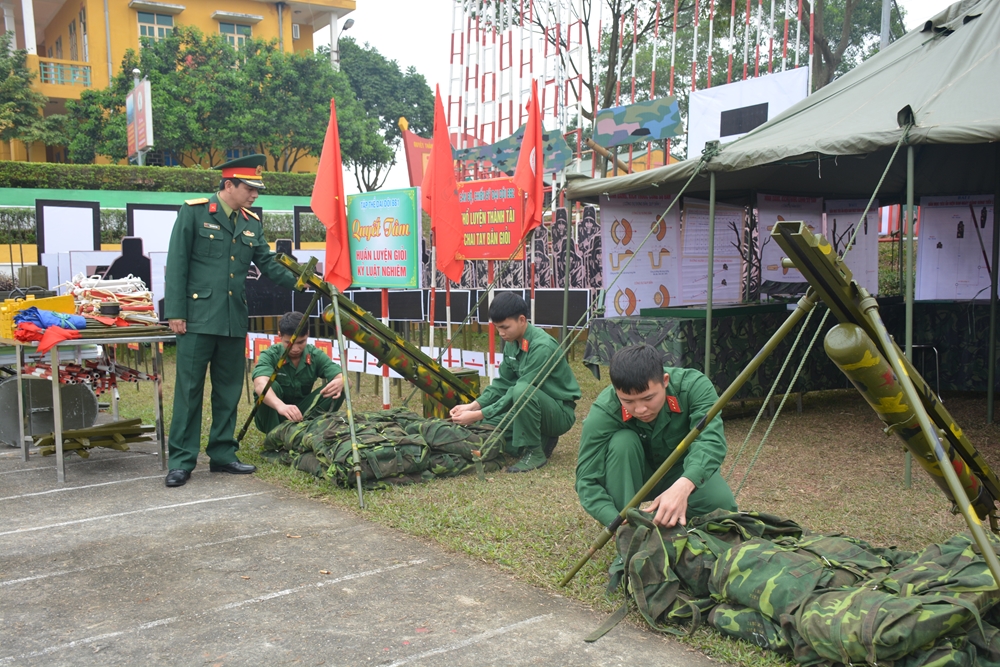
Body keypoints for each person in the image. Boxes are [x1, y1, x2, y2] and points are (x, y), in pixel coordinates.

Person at [163, 154, 297, 487]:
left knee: (228, 390)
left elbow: (269, 264)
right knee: (189, 390)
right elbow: (176, 263)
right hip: (195, 319)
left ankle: (222, 453)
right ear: (229, 185)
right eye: (249, 189)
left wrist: (306, 280)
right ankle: (181, 460)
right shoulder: (194, 212)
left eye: (256, 190)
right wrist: (175, 313)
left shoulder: (250, 222)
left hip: (233, 319)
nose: (254, 195)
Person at [575, 344, 737, 530]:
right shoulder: (605, 410)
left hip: (680, 472)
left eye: (648, 398)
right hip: (630, 477)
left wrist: (684, 485)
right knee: (623, 442)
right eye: (628, 401)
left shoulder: (693, 387)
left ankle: (667, 523)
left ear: (665, 381)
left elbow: (710, 441)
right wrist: (615, 521)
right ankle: (631, 531)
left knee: (722, 509)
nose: (640, 409)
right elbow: (586, 480)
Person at [449, 292, 580, 472]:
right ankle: (542, 439)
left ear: (522, 319)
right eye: (497, 328)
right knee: (486, 429)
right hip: (526, 406)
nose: (501, 333)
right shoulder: (513, 341)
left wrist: (480, 413)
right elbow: (502, 383)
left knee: (520, 391)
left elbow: (520, 390)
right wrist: (473, 406)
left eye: (505, 327)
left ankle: (535, 453)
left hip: (557, 412)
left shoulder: (541, 346)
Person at [252, 312, 344, 433]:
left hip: (301, 414)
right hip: (273, 414)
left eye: (301, 342)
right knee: (269, 386)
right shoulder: (269, 355)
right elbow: (260, 384)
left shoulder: (315, 355)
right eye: (289, 343)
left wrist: (342, 381)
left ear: (308, 335)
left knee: (340, 387)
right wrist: (280, 406)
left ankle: (309, 431)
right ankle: (275, 438)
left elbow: (342, 376)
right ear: (279, 335)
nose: (295, 349)